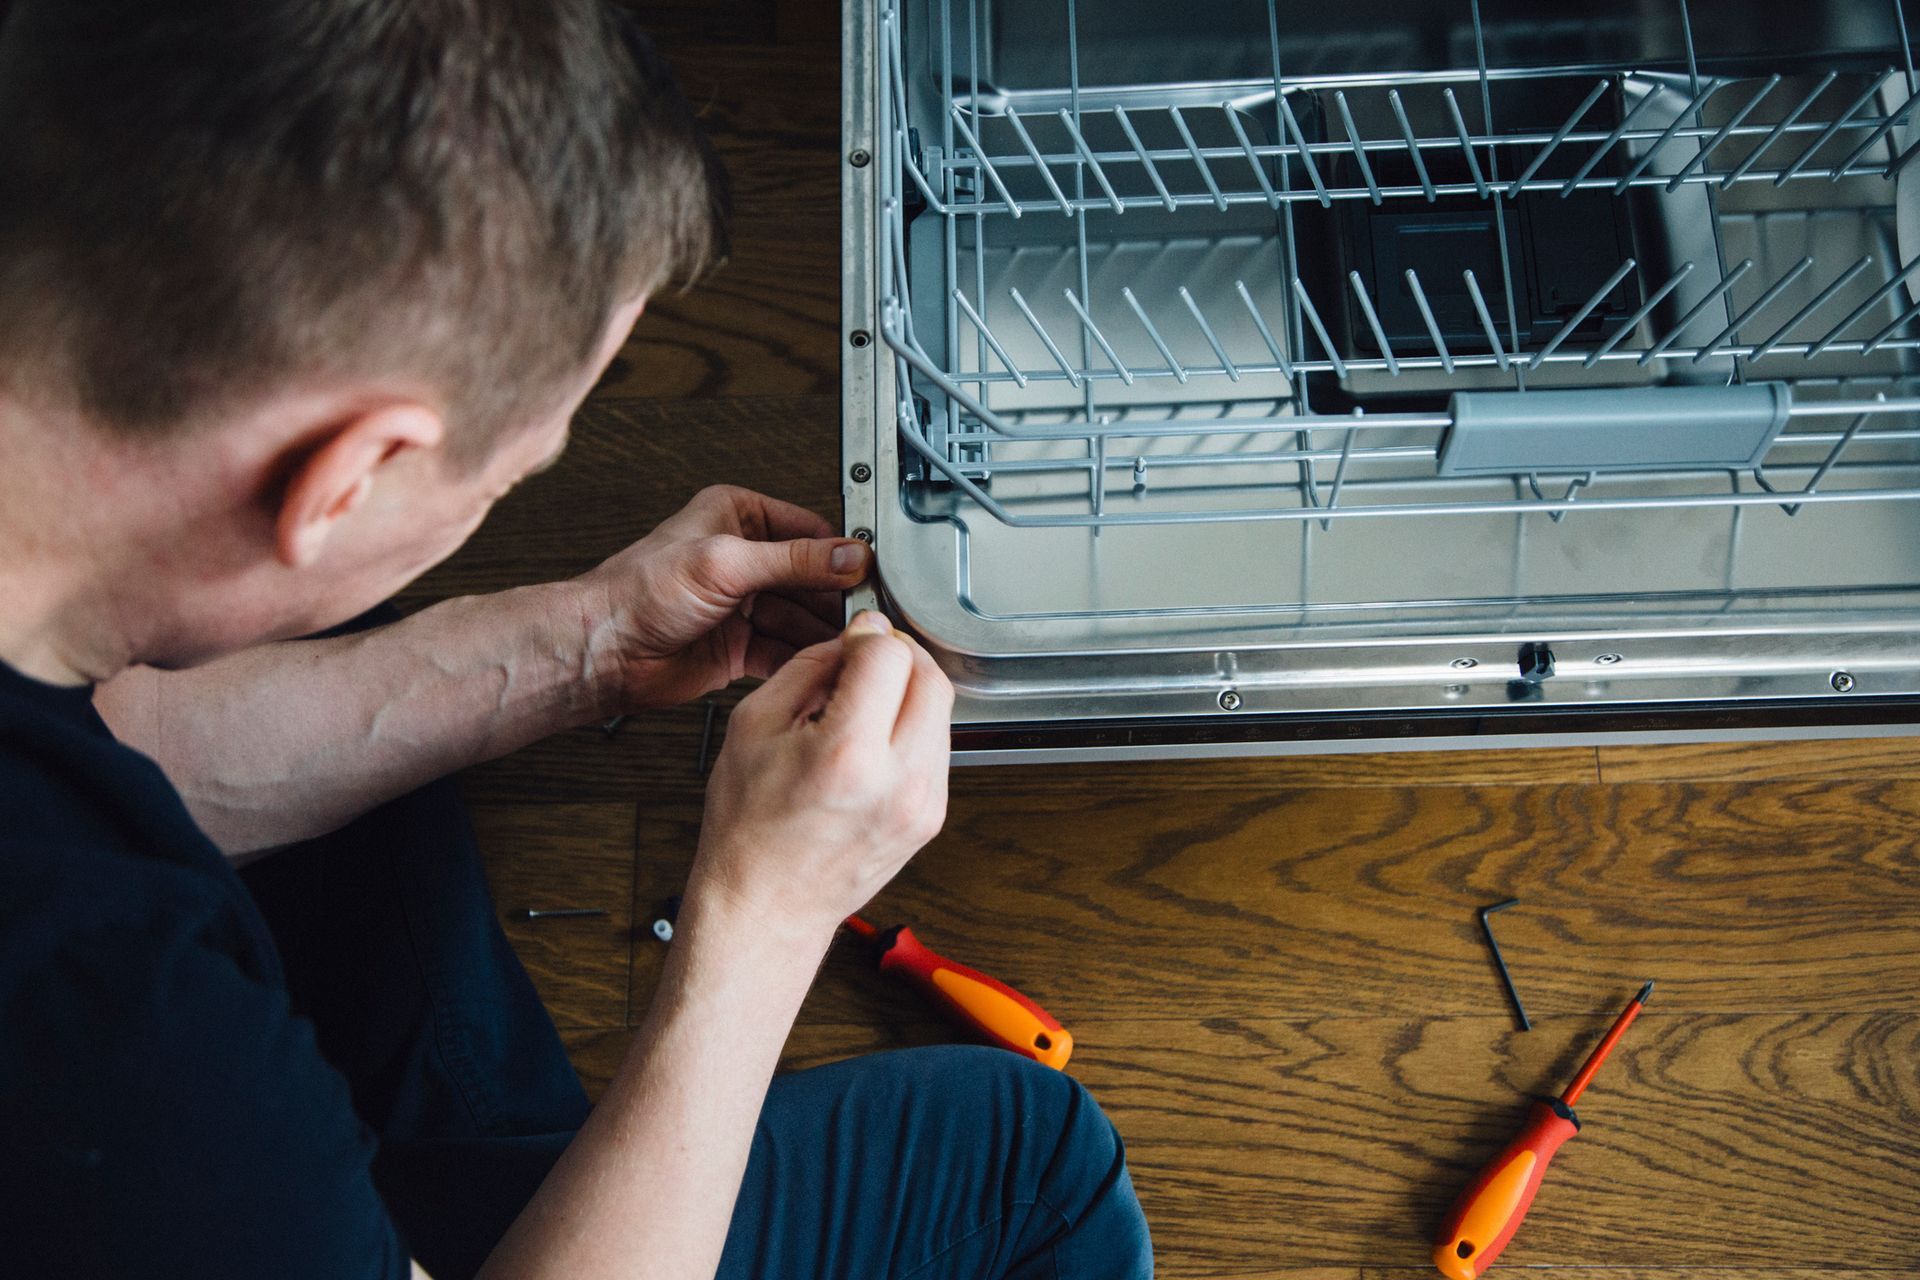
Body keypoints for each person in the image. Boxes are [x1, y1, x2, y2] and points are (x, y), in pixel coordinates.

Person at [0, 2, 1154, 1277]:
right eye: (509, 475)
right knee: (1022, 1165)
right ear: (350, 473)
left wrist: (592, 642)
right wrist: (760, 912)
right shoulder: (117, 1041)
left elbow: (108, 754)